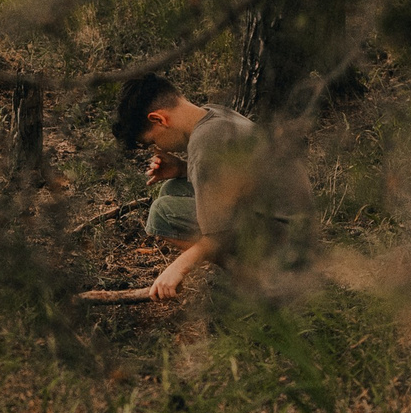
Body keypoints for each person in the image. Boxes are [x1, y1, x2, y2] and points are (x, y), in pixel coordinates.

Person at [109, 74, 311, 299]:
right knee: (171, 190)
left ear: (159, 120)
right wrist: (182, 169)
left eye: (152, 141)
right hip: (291, 222)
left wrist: (177, 268)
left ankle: (255, 279)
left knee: (161, 213)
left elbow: (220, 234)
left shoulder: (204, 142)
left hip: (283, 240)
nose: (156, 148)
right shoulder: (215, 115)